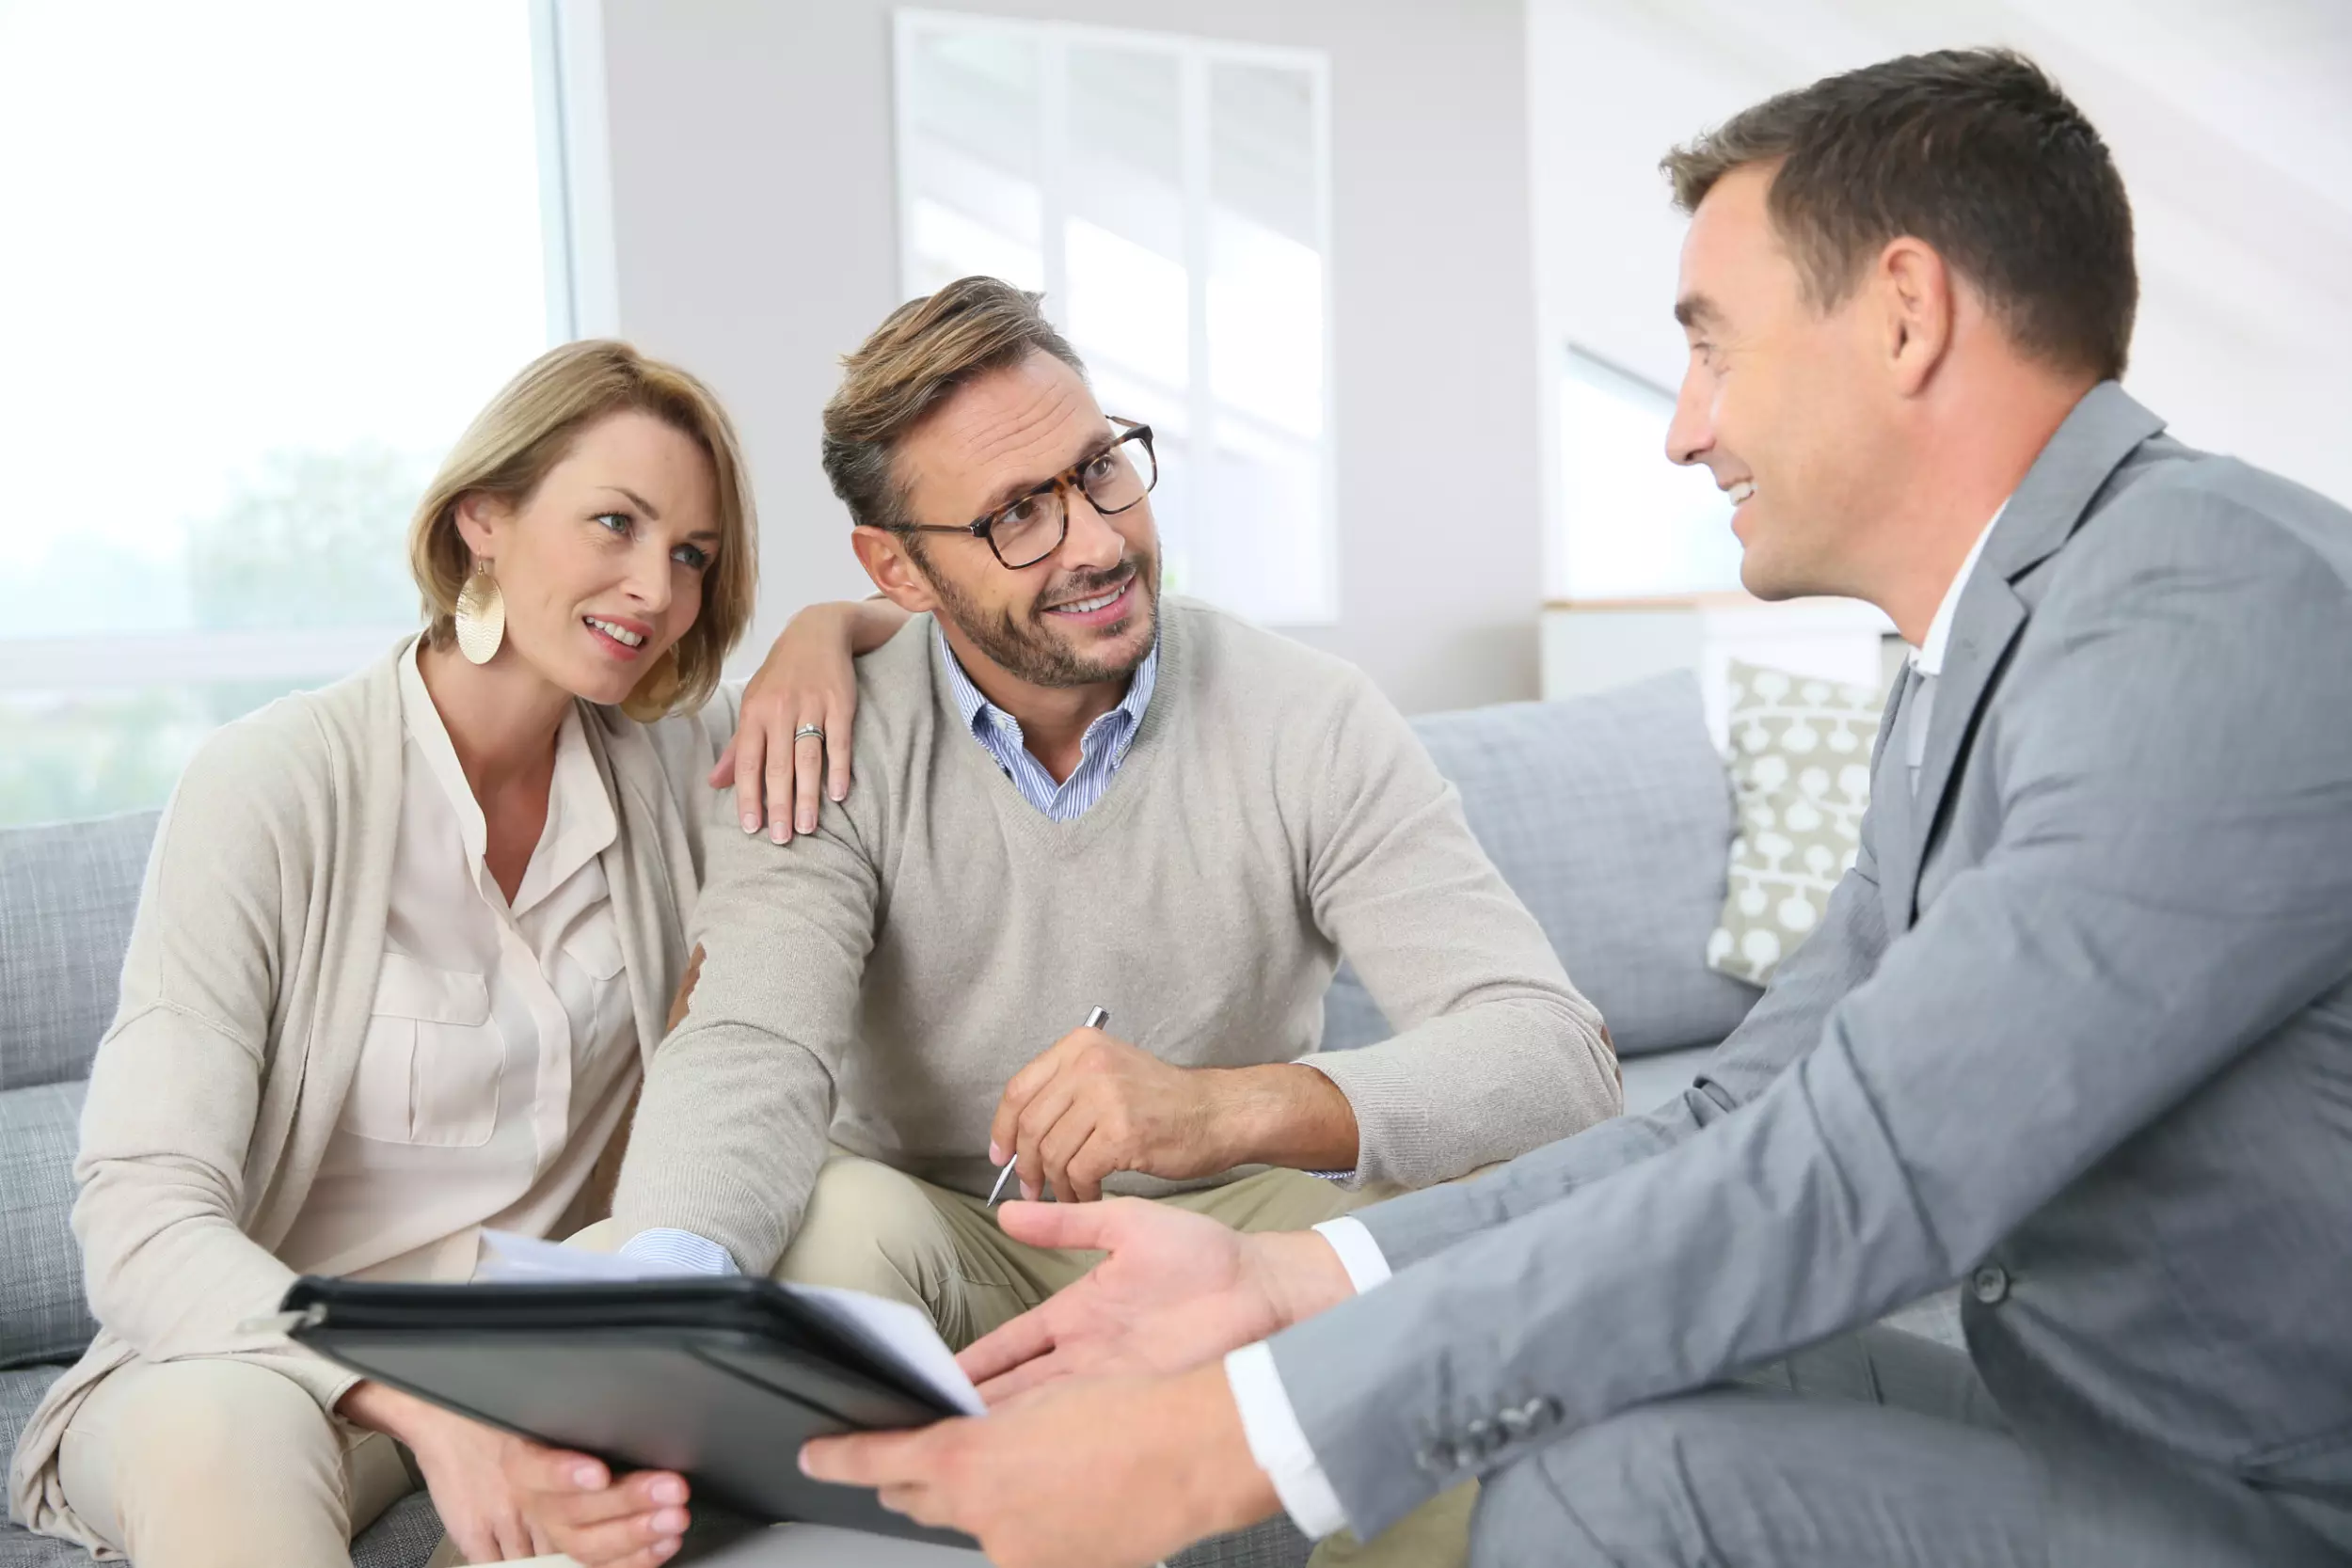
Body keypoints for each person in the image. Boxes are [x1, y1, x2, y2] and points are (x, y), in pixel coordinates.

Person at [744, 47, 2352, 1568]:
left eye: (1714, 341)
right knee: (1575, 1409)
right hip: (2100, 1423)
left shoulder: (2204, 608)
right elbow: (1742, 1116)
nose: (1683, 423)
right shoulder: (1969, 665)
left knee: (1606, 1485)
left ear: (1907, 313)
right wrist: (1293, 1275)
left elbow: (1869, 1166)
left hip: (2266, 1495)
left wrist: (1240, 1435)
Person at [505, 274, 1624, 1560]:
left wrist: (1225, 1107)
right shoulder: (822, 733)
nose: (1092, 539)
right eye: (1015, 516)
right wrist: (669, 1297)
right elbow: (753, 1038)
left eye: (1101, 472)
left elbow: (1554, 1050)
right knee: (818, 1215)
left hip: (1232, 1228)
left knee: (1472, 1219)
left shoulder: (1306, 715)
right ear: (897, 568)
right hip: (942, 1242)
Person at [3, 340, 877, 1568]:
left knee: (657, 1324)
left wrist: (822, 631)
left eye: (692, 555)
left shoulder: (683, 766)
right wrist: (417, 1398)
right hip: (257, 1354)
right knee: (222, 1435)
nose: (656, 589)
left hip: (531, 1346)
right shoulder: (274, 784)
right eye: (614, 524)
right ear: (485, 521)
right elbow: (142, 1215)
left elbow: (935, 651)